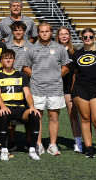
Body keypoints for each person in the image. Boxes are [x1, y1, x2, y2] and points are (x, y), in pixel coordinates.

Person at [23, 22, 70, 156]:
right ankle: (38, 144)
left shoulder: (59, 48)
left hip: (55, 89)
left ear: (51, 33)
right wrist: (36, 76)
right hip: (37, 89)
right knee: (37, 118)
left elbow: (66, 67)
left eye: (47, 31)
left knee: (54, 117)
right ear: (38, 33)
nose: (44, 33)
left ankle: (52, 145)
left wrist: (55, 76)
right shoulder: (31, 48)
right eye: (42, 31)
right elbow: (26, 67)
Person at [0, 49, 41, 161]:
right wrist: (3, 106)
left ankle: (32, 149)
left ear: (14, 59)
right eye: (6, 58)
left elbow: (27, 93)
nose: (8, 60)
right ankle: (4, 150)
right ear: (1, 61)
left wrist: (32, 106)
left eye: (10, 57)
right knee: (4, 115)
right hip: (6, 106)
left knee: (34, 115)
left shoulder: (21, 75)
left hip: (20, 108)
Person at [70, 28, 96, 158]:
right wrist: (72, 91)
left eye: (91, 37)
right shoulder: (76, 54)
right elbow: (75, 74)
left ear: (94, 38)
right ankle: (88, 148)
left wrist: (94, 77)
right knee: (85, 118)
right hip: (80, 89)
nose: (88, 39)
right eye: (85, 37)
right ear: (82, 38)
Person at [4, 20, 34, 150]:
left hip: (26, 81)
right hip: (10, 82)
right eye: (15, 30)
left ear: (24, 32)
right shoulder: (7, 45)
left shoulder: (31, 45)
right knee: (10, 110)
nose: (18, 32)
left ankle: (28, 141)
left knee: (27, 112)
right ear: (12, 32)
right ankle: (11, 140)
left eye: (20, 30)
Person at [56, 26, 82, 153]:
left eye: (66, 34)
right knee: (53, 116)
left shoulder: (75, 52)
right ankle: (51, 143)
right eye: (61, 34)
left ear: (70, 36)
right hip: (53, 87)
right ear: (58, 36)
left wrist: (73, 88)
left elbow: (76, 73)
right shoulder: (52, 50)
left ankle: (78, 142)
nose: (64, 36)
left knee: (73, 115)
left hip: (68, 88)